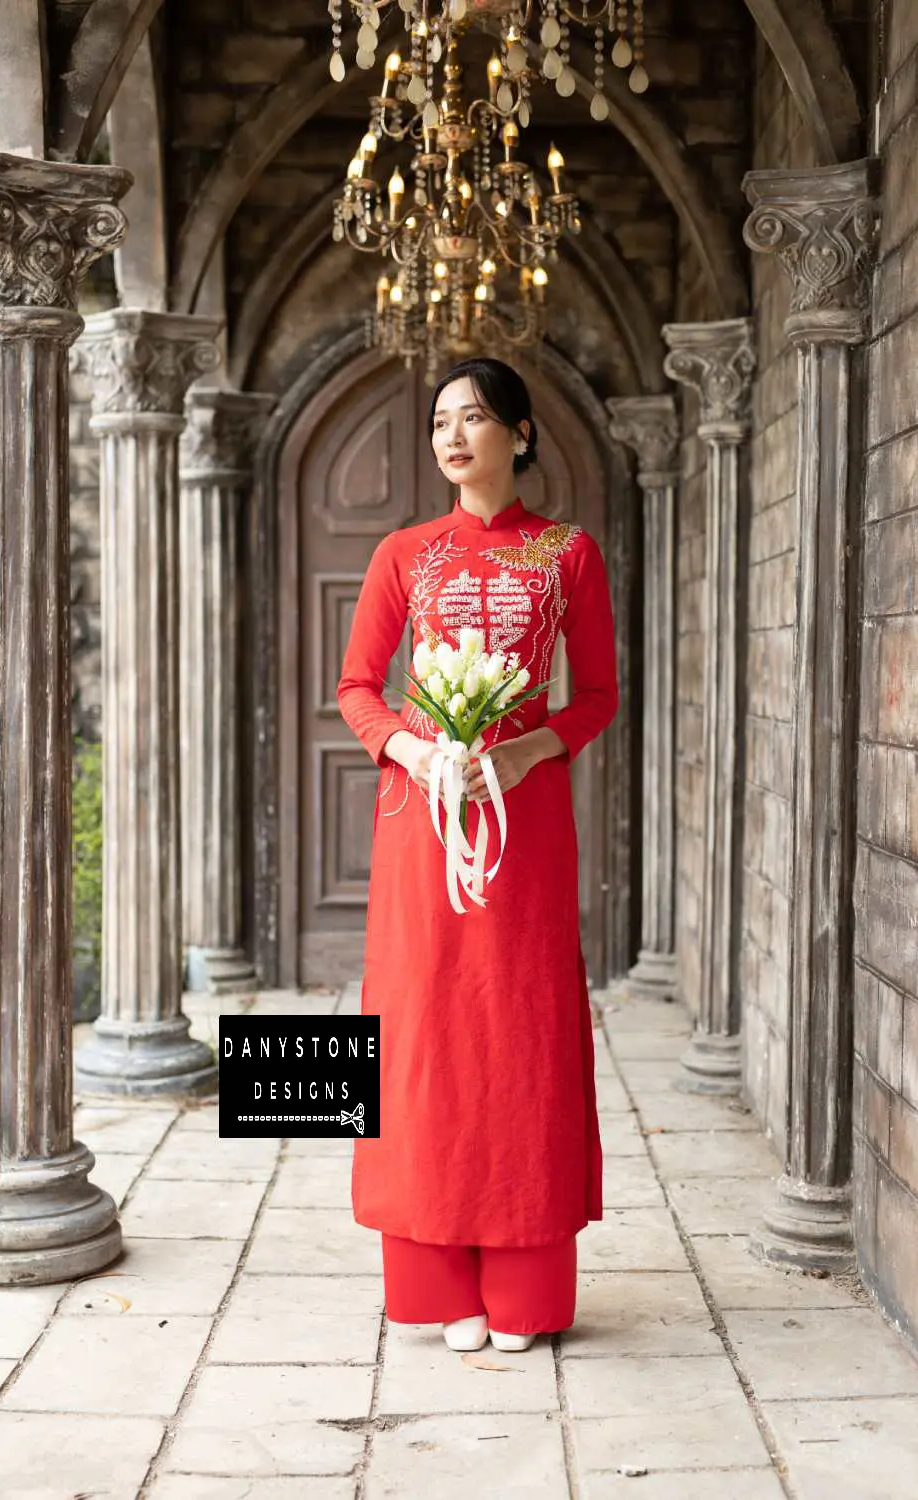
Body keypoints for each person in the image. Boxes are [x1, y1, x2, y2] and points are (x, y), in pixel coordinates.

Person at [337, 356, 618, 1353]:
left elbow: (594, 698)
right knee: (423, 1034)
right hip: (422, 820)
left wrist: (526, 750)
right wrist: (416, 750)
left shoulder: (567, 553)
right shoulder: (402, 554)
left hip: (524, 820)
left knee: (519, 1025)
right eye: (440, 421)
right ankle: (436, 1285)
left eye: (476, 417)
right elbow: (359, 686)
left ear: (522, 434)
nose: (454, 436)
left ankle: (525, 1285)